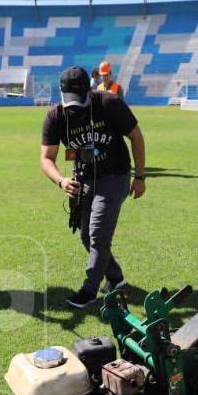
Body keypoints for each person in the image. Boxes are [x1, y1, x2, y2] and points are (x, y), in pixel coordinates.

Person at [39, 66, 146, 308]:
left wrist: (139, 177)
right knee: (86, 235)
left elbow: (136, 136)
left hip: (115, 175)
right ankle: (116, 278)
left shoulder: (109, 103)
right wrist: (61, 180)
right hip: (84, 178)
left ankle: (89, 291)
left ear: (89, 89)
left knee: (98, 233)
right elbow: (47, 158)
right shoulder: (55, 116)